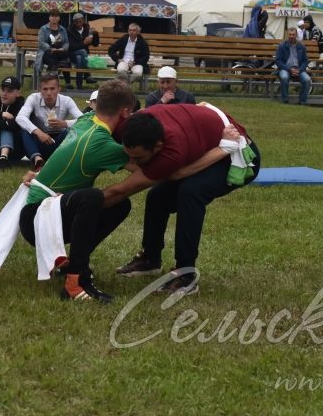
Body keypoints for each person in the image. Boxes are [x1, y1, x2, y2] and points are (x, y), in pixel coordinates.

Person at [108, 103, 261, 295]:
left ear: (158, 146)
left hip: (236, 153)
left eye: (139, 158)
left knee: (190, 192)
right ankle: (150, 259)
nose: (133, 162)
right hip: (209, 141)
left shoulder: (173, 150)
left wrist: (92, 204)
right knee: (157, 196)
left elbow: (173, 175)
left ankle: (186, 274)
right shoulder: (135, 125)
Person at [19, 79, 139, 303]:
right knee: (92, 198)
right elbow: (147, 169)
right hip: (39, 222)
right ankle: (75, 281)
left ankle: (71, 264)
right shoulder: (102, 144)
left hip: (36, 213)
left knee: (119, 203)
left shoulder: (86, 119)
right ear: (125, 112)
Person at [15, 73, 83, 169]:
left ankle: (62, 160)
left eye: (52, 89)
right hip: (40, 141)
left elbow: (84, 120)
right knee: (25, 131)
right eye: (45, 89)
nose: (49, 93)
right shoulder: (33, 98)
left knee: (70, 131)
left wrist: (65, 123)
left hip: (60, 141)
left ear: (59, 89)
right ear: (39, 90)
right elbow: (20, 117)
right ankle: (37, 160)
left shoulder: (66, 100)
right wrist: (39, 133)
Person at [275, 27, 312, 105]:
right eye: (290, 34)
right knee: (284, 77)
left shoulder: (301, 46)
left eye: (293, 34)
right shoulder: (282, 46)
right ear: (287, 35)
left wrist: (300, 70)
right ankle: (285, 100)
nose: (291, 36)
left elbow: (305, 61)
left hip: (298, 69)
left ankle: (302, 101)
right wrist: (289, 69)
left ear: (296, 35)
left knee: (307, 80)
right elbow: (278, 61)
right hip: (285, 68)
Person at [34, 8, 69, 86]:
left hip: (60, 51)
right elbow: (41, 42)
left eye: (56, 16)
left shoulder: (62, 29)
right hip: (47, 51)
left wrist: (63, 48)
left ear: (59, 18)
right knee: (51, 57)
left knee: (66, 54)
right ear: (49, 17)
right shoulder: (43, 29)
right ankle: (53, 80)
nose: (54, 18)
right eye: (52, 16)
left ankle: (65, 82)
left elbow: (66, 42)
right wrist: (50, 48)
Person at [63, 12, 100, 89]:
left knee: (79, 58)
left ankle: (79, 85)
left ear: (83, 20)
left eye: (81, 21)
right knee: (82, 52)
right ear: (73, 22)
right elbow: (71, 47)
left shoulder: (87, 29)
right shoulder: (69, 30)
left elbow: (95, 44)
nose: (79, 23)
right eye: (76, 21)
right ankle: (87, 76)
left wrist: (96, 34)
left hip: (82, 56)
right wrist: (84, 43)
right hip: (71, 54)